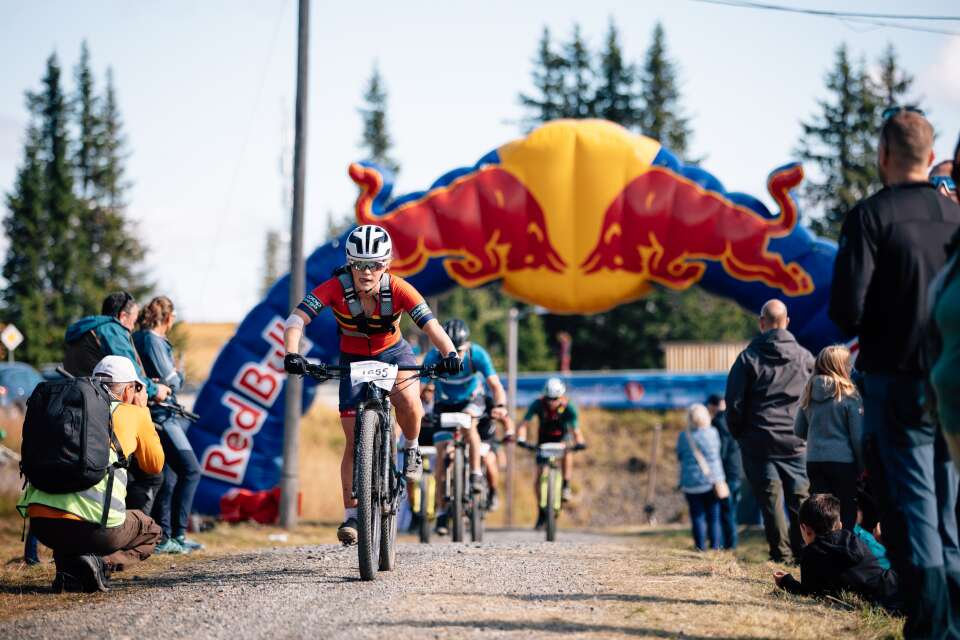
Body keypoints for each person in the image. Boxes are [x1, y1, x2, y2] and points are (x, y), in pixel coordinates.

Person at [830, 108, 960, 638]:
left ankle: (934, 625)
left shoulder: (869, 217)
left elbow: (846, 310)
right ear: (931, 158)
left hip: (896, 377)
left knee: (914, 511)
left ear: (883, 156)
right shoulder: (956, 216)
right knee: (950, 508)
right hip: (951, 376)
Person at [282, 225, 460, 545]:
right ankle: (352, 515)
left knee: (408, 399)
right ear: (350, 264)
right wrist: (292, 353)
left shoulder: (400, 289)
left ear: (387, 264)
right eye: (360, 264)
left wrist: (451, 354)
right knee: (352, 440)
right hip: (353, 356)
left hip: (393, 351)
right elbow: (296, 319)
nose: (367, 272)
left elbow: (431, 326)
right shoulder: (335, 287)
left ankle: (411, 447)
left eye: (375, 264)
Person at [18, 355, 164, 592]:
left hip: (41, 524)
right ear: (129, 388)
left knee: (69, 512)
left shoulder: (66, 409)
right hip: (96, 530)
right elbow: (154, 465)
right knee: (151, 531)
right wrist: (143, 412)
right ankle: (101, 564)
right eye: (137, 387)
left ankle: (68, 571)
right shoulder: (134, 413)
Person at [64, 291, 171, 515]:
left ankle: (33, 550)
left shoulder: (82, 330)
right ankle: (129, 528)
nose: (132, 328)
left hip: (76, 406)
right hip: (108, 410)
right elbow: (127, 371)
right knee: (150, 474)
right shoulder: (112, 329)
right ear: (123, 316)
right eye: (132, 321)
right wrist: (153, 389)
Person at [725, 299, 814, 563]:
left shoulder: (748, 358)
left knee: (771, 502)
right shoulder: (805, 357)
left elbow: (734, 403)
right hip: (797, 442)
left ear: (762, 323)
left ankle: (781, 556)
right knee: (801, 501)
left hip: (759, 442)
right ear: (786, 322)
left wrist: (739, 434)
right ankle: (805, 555)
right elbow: (815, 398)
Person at [424, 319, 513, 534]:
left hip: (471, 400)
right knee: (441, 453)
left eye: (460, 350)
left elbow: (495, 385)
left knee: (469, 424)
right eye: (450, 350)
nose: (456, 356)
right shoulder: (433, 356)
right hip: (444, 401)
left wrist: (500, 404)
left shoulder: (478, 354)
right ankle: (443, 512)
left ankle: (474, 473)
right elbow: (419, 388)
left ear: (468, 345)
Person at [133, 296, 203, 555]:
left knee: (169, 477)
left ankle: (166, 535)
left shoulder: (139, 338)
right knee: (191, 471)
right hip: (162, 416)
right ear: (168, 318)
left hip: (155, 415)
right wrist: (179, 373)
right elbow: (172, 381)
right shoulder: (152, 340)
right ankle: (178, 535)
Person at [774, 494, 899, 611]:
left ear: (805, 529)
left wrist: (786, 581)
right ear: (839, 525)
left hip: (884, 605)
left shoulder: (811, 553)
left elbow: (810, 593)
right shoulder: (853, 539)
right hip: (898, 584)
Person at [793, 345, 863, 530]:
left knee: (821, 512)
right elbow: (857, 437)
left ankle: (823, 551)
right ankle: (843, 551)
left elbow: (799, 430)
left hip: (815, 461)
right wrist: (862, 466)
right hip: (843, 463)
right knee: (845, 512)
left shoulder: (808, 391)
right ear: (842, 365)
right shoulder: (849, 393)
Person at [517, 377, 586, 529]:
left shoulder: (569, 407)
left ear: (562, 396)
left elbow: (576, 430)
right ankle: (541, 510)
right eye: (548, 399)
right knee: (539, 475)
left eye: (555, 399)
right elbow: (524, 423)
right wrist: (521, 438)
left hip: (562, 437)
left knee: (567, 451)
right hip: (544, 439)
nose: (551, 402)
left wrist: (580, 442)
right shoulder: (538, 404)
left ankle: (566, 485)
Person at [676, 404, 725, 551]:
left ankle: (700, 548)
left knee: (697, 516)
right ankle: (716, 547)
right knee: (714, 517)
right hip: (712, 480)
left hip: (691, 482)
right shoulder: (713, 433)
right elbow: (718, 452)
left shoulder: (684, 436)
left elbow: (679, 455)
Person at [706, 394, 741, 550]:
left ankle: (727, 546)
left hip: (725, 472)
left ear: (712, 406)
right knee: (731, 510)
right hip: (737, 469)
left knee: (725, 511)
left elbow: (721, 450)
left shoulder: (718, 422)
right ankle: (730, 544)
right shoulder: (735, 419)